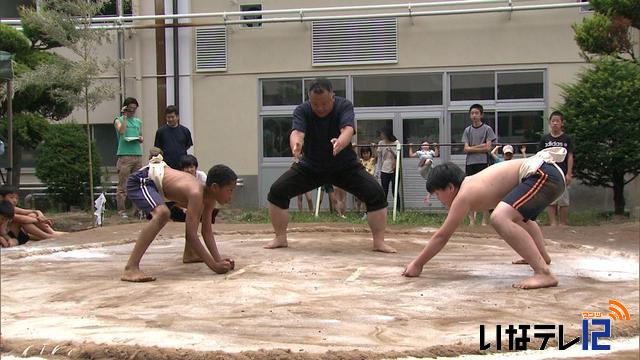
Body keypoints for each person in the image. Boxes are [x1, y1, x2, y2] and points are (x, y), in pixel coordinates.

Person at [403, 147, 568, 289]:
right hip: (547, 173)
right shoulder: (475, 186)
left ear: (450, 188)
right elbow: (527, 221)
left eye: (438, 194)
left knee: (499, 217)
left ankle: (543, 272)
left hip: (543, 174)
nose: (438, 199)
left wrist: (417, 264)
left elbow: (442, 236)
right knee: (515, 217)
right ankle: (542, 257)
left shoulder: (464, 195)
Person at [266, 78, 394, 253]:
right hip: (310, 167)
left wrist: (340, 142)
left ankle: (379, 242)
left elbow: (347, 129)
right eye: (315, 104)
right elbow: (298, 132)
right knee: (277, 191)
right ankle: (280, 238)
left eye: (324, 103)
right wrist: (296, 143)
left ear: (333, 97)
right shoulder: (302, 110)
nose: (320, 108)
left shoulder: (344, 106)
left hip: (344, 166)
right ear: (309, 100)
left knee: (376, 193)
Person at [121, 154, 237, 282]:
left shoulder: (209, 199)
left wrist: (218, 260)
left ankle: (190, 254)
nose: (231, 196)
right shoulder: (196, 193)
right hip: (142, 180)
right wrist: (214, 266)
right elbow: (191, 235)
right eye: (230, 190)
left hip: (160, 187)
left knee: (193, 215)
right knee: (162, 214)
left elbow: (206, 231)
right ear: (215, 187)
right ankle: (130, 268)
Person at [539, 111, 574, 226]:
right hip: (549, 173)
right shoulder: (545, 139)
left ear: (562, 123)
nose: (555, 123)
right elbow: (540, 156)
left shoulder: (566, 139)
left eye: (557, 121)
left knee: (563, 200)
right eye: (553, 121)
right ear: (549, 123)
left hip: (563, 173)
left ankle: (563, 223)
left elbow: (570, 156)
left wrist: (569, 173)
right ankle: (553, 223)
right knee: (550, 199)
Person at [462, 104, 495, 226]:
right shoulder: (467, 130)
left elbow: (488, 147)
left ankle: (485, 219)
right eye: (472, 113)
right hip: (470, 163)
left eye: (476, 113)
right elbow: (465, 149)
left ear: (481, 114)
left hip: (483, 162)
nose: (474, 115)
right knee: (469, 190)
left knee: (485, 190)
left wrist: (472, 147)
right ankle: (471, 219)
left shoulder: (487, 129)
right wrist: (479, 146)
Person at [0, 185, 65, 241]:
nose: (14, 200)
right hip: (8, 236)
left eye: (16, 198)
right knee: (26, 221)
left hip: (16, 233)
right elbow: (22, 219)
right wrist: (40, 220)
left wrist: (41, 216)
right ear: (1, 198)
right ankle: (48, 236)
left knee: (32, 215)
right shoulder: (3, 211)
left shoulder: (12, 208)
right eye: (11, 197)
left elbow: (35, 211)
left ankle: (51, 233)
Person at [114, 97, 144, 219]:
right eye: (130, 109)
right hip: (125, 156)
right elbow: (121, 131)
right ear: (125, 108)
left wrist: (141, 138)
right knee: (123, 185)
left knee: (137, 184)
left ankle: (137, 210)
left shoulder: (138, 122)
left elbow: (140, 135)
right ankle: (121, 211)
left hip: (137, 154)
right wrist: (125, 116)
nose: (132, 111)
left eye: (134, 109)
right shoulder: (118, 120)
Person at [154, 105, 194, 170]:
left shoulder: (185, 131)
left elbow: (188, 145)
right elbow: (158, 148)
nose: (170, 119)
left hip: (182, 164)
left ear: (177, 117)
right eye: (168, 117)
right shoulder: (160, 131)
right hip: (166, 164)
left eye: (172, 117)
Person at [375, 127, 400, 199]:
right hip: (384, 169)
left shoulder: (396, 142)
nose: (381, 135)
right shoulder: (381, 143)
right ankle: (383, 208)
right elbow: (379, 158)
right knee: (384, 190)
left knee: (395, 190)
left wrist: (391, 150)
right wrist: (377, 171)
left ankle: (398, 208)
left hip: (394, 168)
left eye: (382, 133)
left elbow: (398, 155)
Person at [356, 146, 376, 214]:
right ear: (361, 154)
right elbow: (355, 157)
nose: (366, 155)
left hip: (370, 181)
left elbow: (377, 156)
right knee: (359, 198)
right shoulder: (361, 161)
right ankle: (359, 211)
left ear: (370, 153)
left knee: (368, 198)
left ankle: (367, 211)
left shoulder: (372, 160)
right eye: (364, 153)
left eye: (367, 153)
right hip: (361, 181)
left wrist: (374, 148)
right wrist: (353, 148)